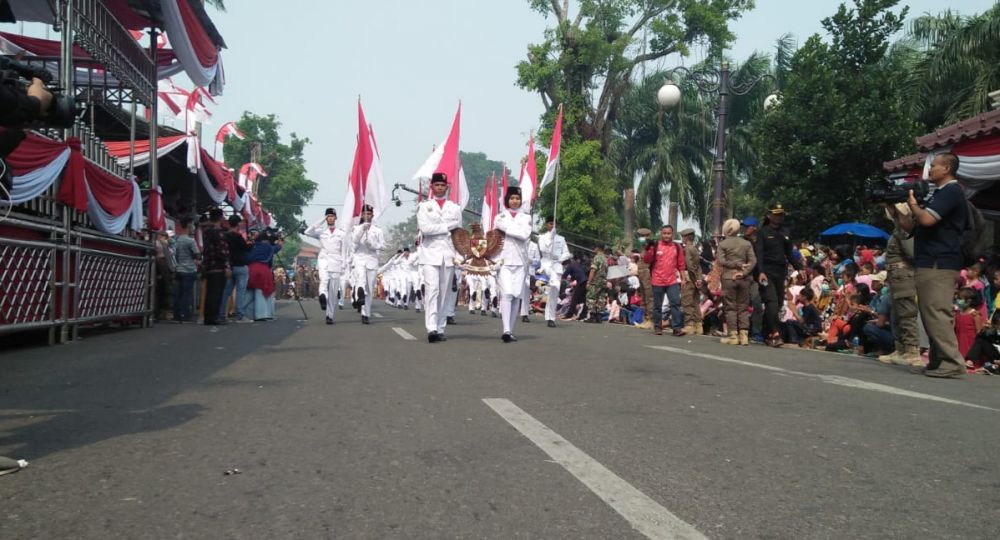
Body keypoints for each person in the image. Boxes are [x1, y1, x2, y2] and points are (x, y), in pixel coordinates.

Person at [895, 152, 969, 378]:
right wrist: (896, 210)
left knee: (936, 312)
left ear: (947, 168)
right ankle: (939, 360)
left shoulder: (951, 191)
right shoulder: (939, 194)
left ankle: (952, 362)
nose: (931, 170)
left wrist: (914, 205)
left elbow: (926, 219)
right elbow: (912, 227)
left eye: (935, 166)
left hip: (940, 262)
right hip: (930, 260)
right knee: (929, 312)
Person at [417, 172, 462, 343]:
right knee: (432, 290)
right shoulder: (424, 206)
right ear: (432, 187)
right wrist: (447, 226)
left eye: (443, 185)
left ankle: (441, 327)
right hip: (430, 252)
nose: (440, 188)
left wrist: (459, 255)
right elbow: (425, 229)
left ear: (447, 187)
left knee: (444, 293)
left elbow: (459, 234)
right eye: (437, 185)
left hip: (449, 253)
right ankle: (431, 328)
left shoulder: (455, 208)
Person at [877, 203, 920, 365]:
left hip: (903, 275)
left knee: (906, 313)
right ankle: (900, 348)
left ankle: (911, 350)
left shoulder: (905, 231)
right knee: (896, 314)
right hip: (895, 276)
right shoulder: (897, 231)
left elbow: (912, 253)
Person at [755, 203, 800, 347]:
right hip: (766, 272)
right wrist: (760, 271)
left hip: (780, 272)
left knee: (779, 303)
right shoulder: (763, 232)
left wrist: (801, 268)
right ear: (769, 215)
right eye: (776, 214)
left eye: (781, 214)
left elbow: (789, 254)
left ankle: (766, 332)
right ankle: (774, 333)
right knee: (771, 302)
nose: (779, 217)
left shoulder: (786, 232)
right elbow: (759, 254)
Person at [493, 187, 532, 342]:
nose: (515, 201)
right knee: (507, 293)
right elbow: (516, 232)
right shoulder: (499, 216)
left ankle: (511, 329)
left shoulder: (526, 217)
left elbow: (524, 235)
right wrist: (515, 229)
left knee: (516, 295)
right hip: (504, 260)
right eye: (512, 198)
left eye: (517, 198)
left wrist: (509, 229)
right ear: (507, 200)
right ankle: (506, 330)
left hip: (520, 261)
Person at [716, 218, 757, 345]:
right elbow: (753, 261)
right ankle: (744, 335)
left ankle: (733, 336)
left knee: (730, 308)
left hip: (729, 278)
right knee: (743, 307)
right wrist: (743, 272)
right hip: (744, 279)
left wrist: (735, 264)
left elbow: (721, 261)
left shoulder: (723, 244)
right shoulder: (746, 243)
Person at [304, 207, 347, 324]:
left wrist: (343, 265)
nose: (330, 218)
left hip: (336, 261)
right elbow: (307, 231)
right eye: (328, 216)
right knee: (324, 279)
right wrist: (321, 220)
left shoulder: (341, 233)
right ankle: (322, 296)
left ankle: (330, 315)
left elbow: (344, 250)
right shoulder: (321, 231)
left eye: (332, 216)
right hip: (324, 259)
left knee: (333, 291)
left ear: (335, 218)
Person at [643, 224, 687, 336]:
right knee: (658, 305)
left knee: (676, 303)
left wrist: (683, 279)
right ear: (661, 234)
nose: (666, 235)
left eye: (669, 233)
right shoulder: (656, 245)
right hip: (657, 280)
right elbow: (647, 260)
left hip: (672, 281)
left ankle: (677, 328)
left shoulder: (677, 247)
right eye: (664, 233)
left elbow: (681, 264)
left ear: (672, 234)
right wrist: (648, 249)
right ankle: (658, 327)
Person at [350, 205, 385, 325]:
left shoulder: (378, 230)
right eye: (365, 214)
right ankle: (359, 293)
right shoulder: (356, 228)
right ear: (362, 215)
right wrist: (362, 229)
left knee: (370, 288)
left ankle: (366, 313)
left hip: (372, 259)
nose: (367, 216)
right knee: (360, 279)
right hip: (359, 258)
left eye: (369, 214)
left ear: (372, 215)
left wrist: (373, 245)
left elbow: (383, 246)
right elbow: (354, 241)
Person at [537, 217, 570, 328]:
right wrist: (551, 238)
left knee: (554, 292)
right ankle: (550, 316)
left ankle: (550, 318)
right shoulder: (542, 237)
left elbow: (567, 253)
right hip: (546, 265)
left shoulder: (561, 238)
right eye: (550, 224)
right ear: (547, 225)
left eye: (554, 224)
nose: (552, 226)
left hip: (557, 265)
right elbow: (543, 249)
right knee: (554, 283)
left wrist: (560, 259)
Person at [200, 208, 231, 325]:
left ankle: (208, 317)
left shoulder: (206, 231)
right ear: (220, 218)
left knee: (210, 293)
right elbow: (222, 251)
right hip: (218, 265)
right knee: (216, 293)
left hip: (208, 264)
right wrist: (227, 265)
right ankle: (214, 317)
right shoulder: (218, 232)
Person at [221, 215, 252, 323]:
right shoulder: (238, 236)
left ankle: (221, 314)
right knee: (240, 292)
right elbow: (246, 248)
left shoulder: (224, 236)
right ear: (238, 224)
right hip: (240, 266)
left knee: (226, 292)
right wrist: (251, 242)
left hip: (229, 266)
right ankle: (240, 315)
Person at [172, 217, 200, 323]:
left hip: (179, 269)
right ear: (189, 226)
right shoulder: (190, 241)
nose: (193, 227)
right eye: (192, 225)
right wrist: (198, 257)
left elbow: (175, 254)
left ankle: (177, 315)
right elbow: (197, 255)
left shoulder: (177, 239)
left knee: (178, 293)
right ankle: (185, 315)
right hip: (189, 270)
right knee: (186, 293)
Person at [679, 228, 704, 335]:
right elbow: (698, 266)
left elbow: (689, 265)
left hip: (689, 278)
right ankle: (698, 325)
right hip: (696, 279)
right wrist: (699, 279)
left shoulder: (687, 249)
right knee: (695, 302)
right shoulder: (695, 249)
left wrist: (693, 278)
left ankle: (689, 324)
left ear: (685, 238)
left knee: (686, 301)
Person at [584, 245, 609, 323]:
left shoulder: (596, 258)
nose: (593, 249)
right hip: (603, 281)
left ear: (597, 248)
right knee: (600, 298)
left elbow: (593, 270)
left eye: (594, 248)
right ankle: (599, 316)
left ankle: (592, 316)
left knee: (591, 297)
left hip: (596, 281)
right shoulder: (605, 259)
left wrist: (589, 282)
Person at [521, 238, 541, 323]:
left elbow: (538, 261)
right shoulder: (519, 243)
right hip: (520, 270)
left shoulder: (534, 246)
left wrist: (531, 261)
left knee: (526, 293)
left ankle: (524, 314)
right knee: (515, 293)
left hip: (530, 272)